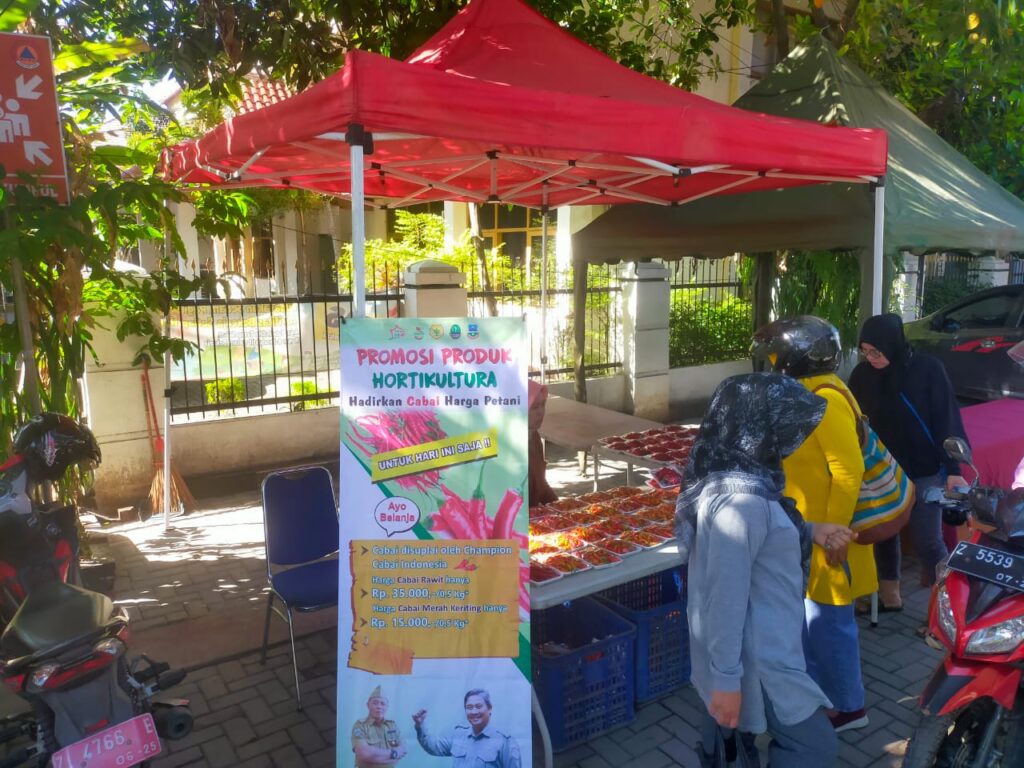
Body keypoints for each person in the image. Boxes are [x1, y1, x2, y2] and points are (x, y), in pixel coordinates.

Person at [676, 373, 853, 768]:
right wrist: (726, 681)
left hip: (754, 654)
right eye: (786, 426)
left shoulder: (734, 480)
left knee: (729, 744)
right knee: (814, 748)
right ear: (759, 428)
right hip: (760, 661)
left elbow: (752, 550)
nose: (794, 437)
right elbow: (725, 597)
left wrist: (810, 530)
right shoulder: (744, 503)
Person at [751, 316, 874, 733]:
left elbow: (849, 471)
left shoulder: (826, 399)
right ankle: (818, 694)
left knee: (830, 623)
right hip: (807, 527)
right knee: (808, 618)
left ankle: (849, 708)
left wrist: (834, 532)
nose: (771, 363)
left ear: (794, 357)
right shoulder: (808, 391)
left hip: (826, 535)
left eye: (775, 355)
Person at [848, 313, 968, 609]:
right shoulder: (862, 375)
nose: (871, 358)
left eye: (877, 352)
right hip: (884, 471)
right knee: (885, 534)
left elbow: (946, 418)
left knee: (928, 541)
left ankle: (948, 609)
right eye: (866, 352)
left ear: (892, 344)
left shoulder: (928, 369)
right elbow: (854, 421)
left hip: (925, 469)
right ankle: (890, 596)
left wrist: (953, 469)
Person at [413, 689, 521, 767]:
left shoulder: (505, 741)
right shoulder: (459, 735)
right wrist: (420, 725)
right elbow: (434, 747)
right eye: (469, 707)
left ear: (489, 708)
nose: (474, 712)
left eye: (478, 706)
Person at [352, 686, 406, 766]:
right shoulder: (360, 725)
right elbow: (363, 753)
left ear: (387, 706)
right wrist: (394, 754)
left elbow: (403, 749)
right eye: (375, 703)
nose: (379, 707)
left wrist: (374, 756)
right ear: (368, 705)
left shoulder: (392, 725)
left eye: (382, 704)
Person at [528, 380, 557, 505]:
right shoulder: (508, 446)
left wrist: (560, 507)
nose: (541, 412)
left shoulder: (534, 437)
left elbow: (541, 483)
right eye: (535, 407)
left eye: (543, 405)